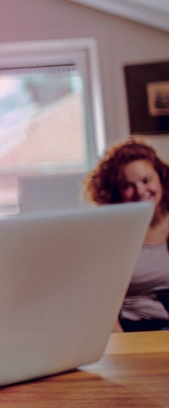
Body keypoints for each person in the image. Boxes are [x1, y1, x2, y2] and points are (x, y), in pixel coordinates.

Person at [86, 138, 169, 331]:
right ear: (117, 193)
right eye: (128, 186)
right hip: (134, 329)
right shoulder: (112, 237)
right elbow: (104, 309)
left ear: (161, 179)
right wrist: (124, 346)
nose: (140, 191)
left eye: (146, 180)